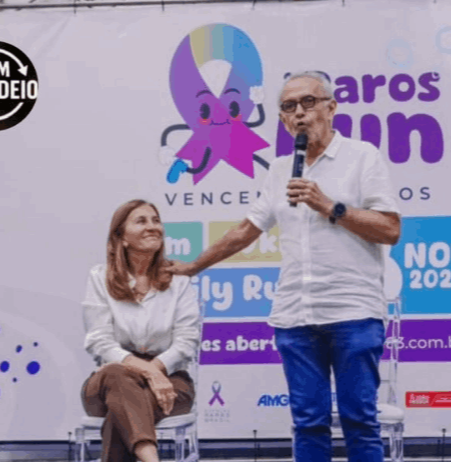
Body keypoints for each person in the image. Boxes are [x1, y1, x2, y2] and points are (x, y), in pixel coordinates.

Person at [169, 71, 401, 462]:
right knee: (307, 423)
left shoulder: (363, 157)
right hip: (296, 316)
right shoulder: (280, 169)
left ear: (331, 107)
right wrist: (194, 266)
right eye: (289, 107)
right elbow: (246, 230)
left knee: (360, 421)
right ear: (282, 119)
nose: (299, 113)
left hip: (353, 312)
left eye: (309, 102)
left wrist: (329, 206)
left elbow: (390, 229)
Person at [81, 199, 200, 462]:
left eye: (156, 221)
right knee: (117, 375)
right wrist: (147, 371)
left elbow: (187, 342)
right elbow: (99, 341)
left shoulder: (179, 281)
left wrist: (156, 370)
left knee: (122, 410)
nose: (152, 227)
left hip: (171, 381)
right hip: (109, 381)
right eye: (141, 221)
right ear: (121, 237)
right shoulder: (100, 278)